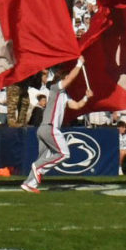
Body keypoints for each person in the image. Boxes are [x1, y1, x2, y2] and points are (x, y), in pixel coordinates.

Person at [21, 56, 90, 193]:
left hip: (44, 128)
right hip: (50, 127)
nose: (69, 82)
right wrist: (79, 63)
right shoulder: (55, 88)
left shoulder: (64, 95)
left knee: (44, 157)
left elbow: (76, 106)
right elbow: (69, 78)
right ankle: (38, 167)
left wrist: (86, 97)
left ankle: (29, 184)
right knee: (64, 154)